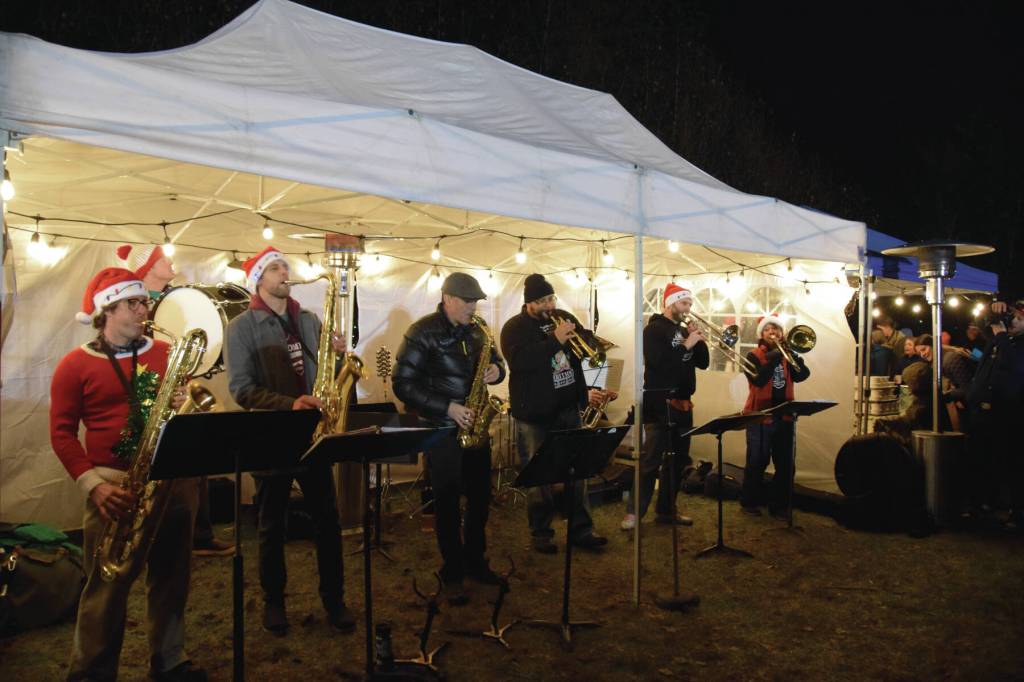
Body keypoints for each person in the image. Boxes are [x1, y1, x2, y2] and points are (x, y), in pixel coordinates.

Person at [50, 267, 206, 681]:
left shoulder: (163, 352)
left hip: (170, 480)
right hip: (113, 485)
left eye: (144, 302)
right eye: (134, 303)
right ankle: (92, 672)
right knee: (105, 586)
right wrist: (94, 486)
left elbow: (186, 406)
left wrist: (183, 400)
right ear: (108, 311)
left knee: (173, 577)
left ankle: (170, 660)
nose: (145, 309)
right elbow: (62, 435)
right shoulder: (73, 366)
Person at [224, 246, 354, 636]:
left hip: (314, 433)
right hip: (272, 434)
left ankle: (335, 600)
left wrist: (337, 357)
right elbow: (241, 389)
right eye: (276, 268)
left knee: (328, 521)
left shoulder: (310, 319)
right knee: (271, 525)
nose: (285, 273)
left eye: (286, 267)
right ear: (259, 279)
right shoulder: (241, 327)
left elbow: (325, 373)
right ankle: (274, 602)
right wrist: (289, 403)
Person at [392, 272, 507, 605]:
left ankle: (476, 561)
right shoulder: (421, 332)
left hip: (476, 427)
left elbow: (499, 363)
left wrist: (497, 371)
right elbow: (403, 383)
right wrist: (448, 407)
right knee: (446, 502)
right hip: (442, 429)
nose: (474, 307)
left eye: (476, 302)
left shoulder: (479, 330)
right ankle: (452, 571)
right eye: (468, 301)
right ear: (448, 299)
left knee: (480, 499)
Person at [120, 244, 233, 557]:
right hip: (148, 393)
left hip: (179, 387)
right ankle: (149, 532)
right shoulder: (136, 304)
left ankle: (199, 532)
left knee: (196, 460)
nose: (170, 261)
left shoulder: (176, 298)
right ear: (148, 267)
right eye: (162, 258)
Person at [500, 273, 608, 554]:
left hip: (568, 408)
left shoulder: (561, 317)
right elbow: (520, 362)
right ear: (529, 304)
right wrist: (556, 342)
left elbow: (584, 349)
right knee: (539, 476)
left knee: (578, 471)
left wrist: (585, 340)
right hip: (534, 414)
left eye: (551, 298)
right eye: (542, 300)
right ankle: (541, 533)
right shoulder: (514, 328)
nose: (549, 304)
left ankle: (581, 529)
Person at [620, 283, 707, 531]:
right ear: (670, 303)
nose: (688, 307)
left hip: (683, 403)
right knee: (650, 462)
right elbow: (659, 363)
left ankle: (667, 510)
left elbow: (703, 362)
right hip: (660, 404)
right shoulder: (654, 330)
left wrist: (697, 340)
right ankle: (634, 513)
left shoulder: (682, 330)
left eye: (690, 303)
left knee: (678, 462)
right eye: (684, 303)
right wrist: (686, 345)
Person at [740, 315, 811, 516]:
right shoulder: (752, 356)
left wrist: (796, 359)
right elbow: (759, 381)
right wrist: (772, 360)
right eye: (768, 329)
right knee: (757, 461)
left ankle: (778, 505)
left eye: (777, 329)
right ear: (761, 334)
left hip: (785, 415)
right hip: (760, 417)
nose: (773, 332)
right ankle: (749, 502)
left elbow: (802, 375)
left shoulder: (787, 354)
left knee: (786, 463)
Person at [963, 300, 1024, 528]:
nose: (1012, 323)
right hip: (984, 412)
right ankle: (983, 503)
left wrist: (1000, 336)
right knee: (982, 459)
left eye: (1018, 319)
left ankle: (1016, 512)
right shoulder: (1001, 340)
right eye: (1012, 318)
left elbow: (1016, 366)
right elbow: (982, 327)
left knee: (1012, 464)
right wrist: (993, 309)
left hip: (1010, 414)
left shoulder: (1014, 345)